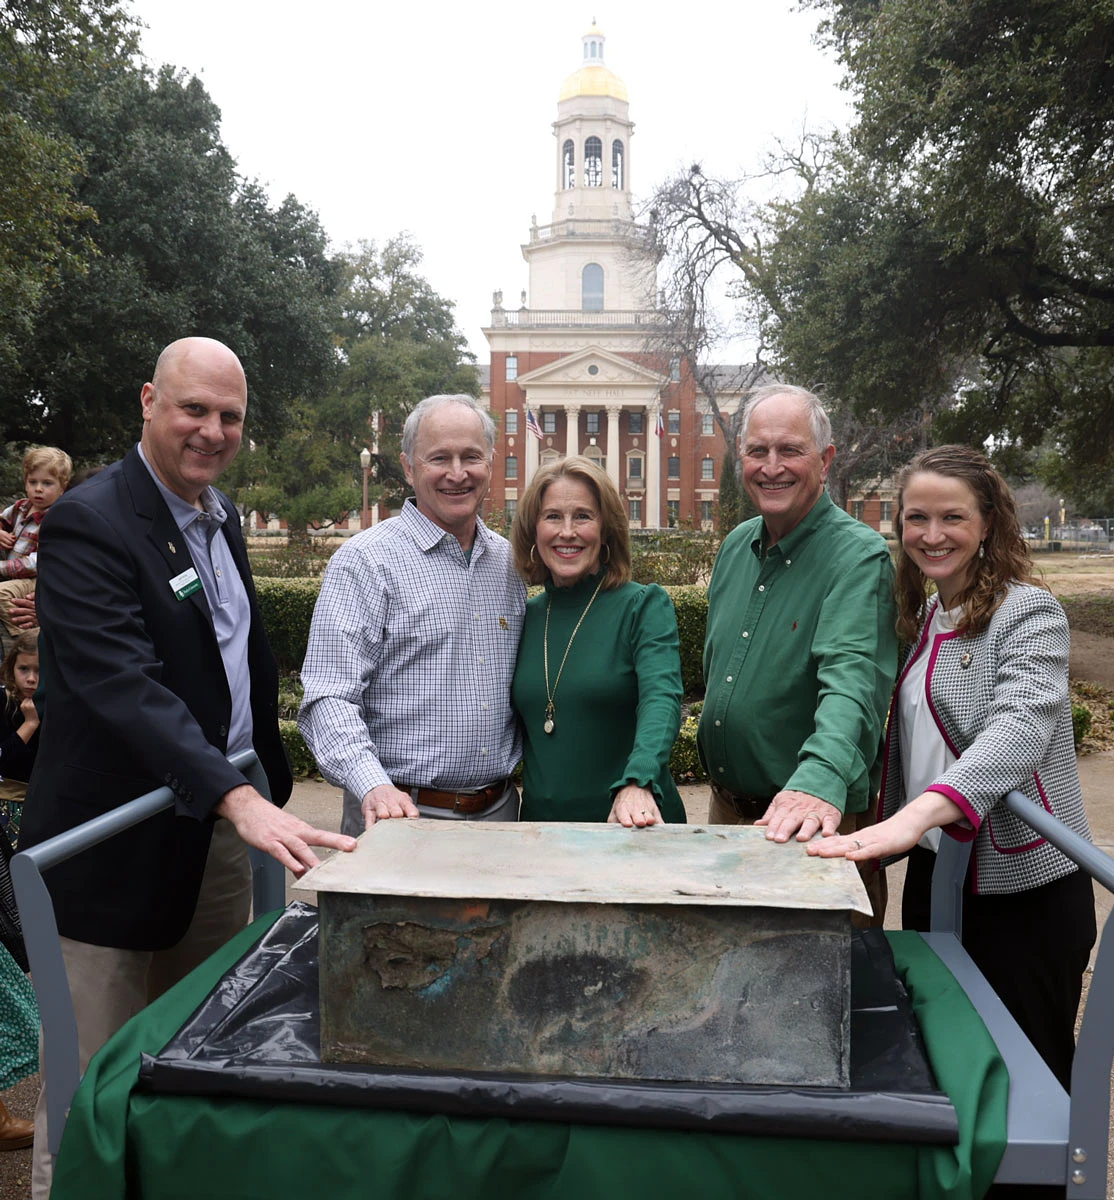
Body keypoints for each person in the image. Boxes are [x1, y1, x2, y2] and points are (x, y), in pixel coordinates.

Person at [19, 336, 355, 1196]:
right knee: (89, 1087)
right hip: (111, 854)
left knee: (198, 1058)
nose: (211, 431)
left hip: (206, 847)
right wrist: (239, 798)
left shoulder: (220, 514)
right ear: (148, 402)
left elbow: (229, 662)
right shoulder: (90, 520)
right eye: (193, 409)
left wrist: (248, 790)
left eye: (229, 416)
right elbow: (124, 687)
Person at [808, 445, 1096, 1089]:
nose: (931, 536)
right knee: (950, 1058)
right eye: (916, 518)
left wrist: (915, 817)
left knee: (1028, 1077)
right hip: (939, 870)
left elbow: (1018, 728)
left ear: (989, 522)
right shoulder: (930, 611)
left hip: (1023, 888)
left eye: (952, 518)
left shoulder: (1028, 612)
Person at [697, 384, 897, 922]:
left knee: (812, 994)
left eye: (790, 450)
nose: (771, 467)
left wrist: (817, 781)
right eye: (757, 451)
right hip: (726, 813)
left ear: (825, 459)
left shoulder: (858, 557)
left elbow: (852, 684)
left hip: (809, 823)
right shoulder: (737, 545)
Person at [299, 393, 525, 832]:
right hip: (397, 814)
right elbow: (329, 696)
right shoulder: (365, 562)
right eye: (438, 457)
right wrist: (373, 786)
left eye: (471, 457)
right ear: (408, 467)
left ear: (491, 464)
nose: (457, 474)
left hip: (501, 816)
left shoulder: (511, 564)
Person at [509, 456, 684, 825]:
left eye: (583, 516)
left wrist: (639, 779)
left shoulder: (642, 605)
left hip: (631, 823)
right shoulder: (527, 615)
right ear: (533, 528)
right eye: (553, 516)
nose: (567, 532)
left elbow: (662, 698)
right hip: (542, 832)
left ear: (606, 531)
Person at [0, 446, 72, 654]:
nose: (38, 489)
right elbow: (3, 521)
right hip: (15, 575)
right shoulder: (20, 507)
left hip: (36, 579)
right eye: (33, 482)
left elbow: (37, 562)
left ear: (62, 487)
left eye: (47, 483)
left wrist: (3, 567)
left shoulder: (57, 517)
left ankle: (24, 642)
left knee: (3, 595)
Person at [0, 631, 40, 845]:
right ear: (11, 667)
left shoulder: (57, 706)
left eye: (40, 671)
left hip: (44, 804)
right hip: (8, 804)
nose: (31, 679)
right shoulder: (4, 702)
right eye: (23, 669)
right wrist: (30, 724)